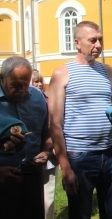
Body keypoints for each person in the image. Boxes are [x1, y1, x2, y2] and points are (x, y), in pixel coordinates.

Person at [48, 21, 112, 219]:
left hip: (109, 153)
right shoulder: (62, 73)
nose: (98, 45)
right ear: (77, 43)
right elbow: (55, 123)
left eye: (100, 40)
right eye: (93, 40)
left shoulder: (107, 72)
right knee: (81, 213)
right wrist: (66, 167)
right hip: (79, 156)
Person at [0, 56, 52, 219]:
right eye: (15, 85)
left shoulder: (37, 97)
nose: (22, 90)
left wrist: (46, 151)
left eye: (26, 84)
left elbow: (46, 132)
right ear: (2, 78)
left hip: (32, 177)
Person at [31, 70, 58, 219]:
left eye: (41, 81)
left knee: (48, 197)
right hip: (30, 155)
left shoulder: (49, 99)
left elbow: (56, 124)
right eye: (35, 81)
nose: (39, 84)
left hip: (49, 155)